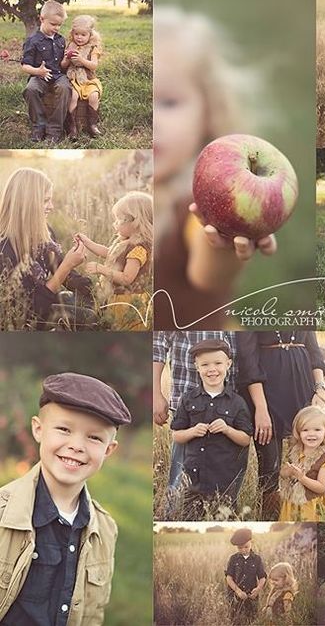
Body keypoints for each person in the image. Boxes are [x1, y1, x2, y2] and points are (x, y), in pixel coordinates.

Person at [153, 6, 276, 330]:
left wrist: (224, 237)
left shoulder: (201, 195)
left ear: (208, 111)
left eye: (167, 102)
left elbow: (208, 277)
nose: (149, 121)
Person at [0, 371, 131, 624]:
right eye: (64, 429)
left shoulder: (105, 529)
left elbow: (94, 611)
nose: (77, 445)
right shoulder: (3, 513)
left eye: (94, 437)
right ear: (38, 429)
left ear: (109, 450)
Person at [235, 331, 325, 519]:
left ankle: (311, 515)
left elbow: (314, 351)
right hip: (266, 392)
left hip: (303, 387)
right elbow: (248, 361)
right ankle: (270, 517)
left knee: (312, 461)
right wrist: (261, 409)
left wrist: (320, 389)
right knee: (271, 465)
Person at [0, 167, 94, 329]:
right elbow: (28, 311)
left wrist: (96, 290)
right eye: (45, 200)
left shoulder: (43, 231)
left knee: (84, 302)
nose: (51, 206)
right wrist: (66, 266)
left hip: (44, 301)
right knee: (88, 318)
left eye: (50, 200)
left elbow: (60, 268)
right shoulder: (5, 247)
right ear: (26, 202)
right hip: (23, 320)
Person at [153, 331, 238, 504]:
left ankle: (218, 510)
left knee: (222, 470)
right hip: (188, 402)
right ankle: (174, 512)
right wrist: (155, 394)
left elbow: (235, 353)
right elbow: (158, 346)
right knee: (181, 471)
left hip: (226, 406)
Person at [170, 339, 253, 519]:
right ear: (197, 367)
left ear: (228, 364)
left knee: (224, 517)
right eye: (205, 364)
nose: (212, 369)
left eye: (218, 363)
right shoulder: (188, 399)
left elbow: (246, 439)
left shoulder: (237, 402)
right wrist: (192, 431)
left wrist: (227, 430)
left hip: (225, 479)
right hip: (194, 479)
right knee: (190, 517)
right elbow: (177, 435)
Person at [76, 191, 153, 330]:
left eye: (119, 219)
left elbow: (126, 278)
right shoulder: (125, 242)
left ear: (135, 222)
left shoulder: (138, 250)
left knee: (122, 328)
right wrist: (88, 242)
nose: (114, 223)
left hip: (127, 302)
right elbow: (109, 253)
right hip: (116, 299)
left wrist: (101, 269)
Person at [20, 0, 71, 144]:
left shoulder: (61, 40)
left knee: (65, 88)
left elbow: (62, 65)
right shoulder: (33, 40)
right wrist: (38, 71)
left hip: (57, 75)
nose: (56, 28)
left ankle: (54, 130)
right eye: (53, 24)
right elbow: (25, 66)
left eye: (59, 25)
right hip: (39, 75)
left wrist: (67, 59)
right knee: (31, 89)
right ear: (42, 19)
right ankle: (38, 127)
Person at [279, 405, 325, 521]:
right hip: (292, 503)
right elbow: (283, 474)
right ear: (298, 433)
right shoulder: (294, 452)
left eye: (317, 430)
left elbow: (321, 487)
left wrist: (302, 478)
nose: (311, 434)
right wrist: (288, 471)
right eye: (305, 430)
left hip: (311, 506)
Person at [61, 13, 103, 139]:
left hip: (88, 80)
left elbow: (94, 66)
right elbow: (63, 65)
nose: (79, 37)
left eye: (83, 35)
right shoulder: (70, 46)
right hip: (73, 79)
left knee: (94, 95)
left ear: (90, 35)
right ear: (72, 33)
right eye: (76, 34)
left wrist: (81, 60)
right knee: (73, 96)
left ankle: (92, 125)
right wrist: (68, 58)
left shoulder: (92, 48)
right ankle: (72, 127)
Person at [225, 527, 267, 625]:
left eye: (246, 547)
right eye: (240, 548)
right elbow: (229, 577)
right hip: (235, 596)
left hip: (251, 596)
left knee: (252, 619)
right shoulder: (233, 559)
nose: (243, 550)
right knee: (235, 619)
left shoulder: (257, 559)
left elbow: (262, 577)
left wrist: (258, 589)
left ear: (251, 542)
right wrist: (238, 591)